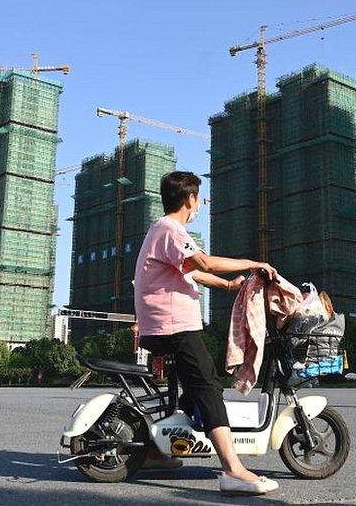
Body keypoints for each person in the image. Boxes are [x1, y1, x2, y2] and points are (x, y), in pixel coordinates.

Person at [134, 170, 280, 495]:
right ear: (190, 199)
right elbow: (205, 263)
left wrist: (229, 285)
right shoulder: (171, 229)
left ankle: (154, 452)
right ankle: (233, 470)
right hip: (172, 325)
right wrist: (254, 264)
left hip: (165, 324)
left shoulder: (164, 232)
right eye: (198, 198)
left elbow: (192, 273)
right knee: (208, 387)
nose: (199, 204)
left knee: (196, 386)